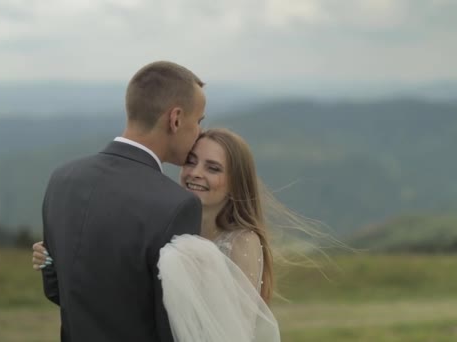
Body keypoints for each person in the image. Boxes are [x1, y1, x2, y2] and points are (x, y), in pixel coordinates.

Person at [35, 128, 285, 340]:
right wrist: (53, 260)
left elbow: (236, 332)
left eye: (213, 168)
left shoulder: (243, 241)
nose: (196, 172)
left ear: (235, 182)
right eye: (191, 161)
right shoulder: (171, 224)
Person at [39, 60, 206, 342]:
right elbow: (174, 326)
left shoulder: (61, 179)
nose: (199, 133)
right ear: (175, 119)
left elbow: (56, 288)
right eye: (198, 122)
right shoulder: (177, 205)